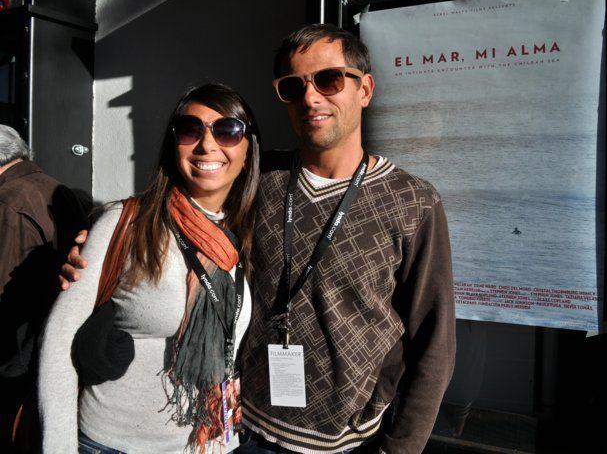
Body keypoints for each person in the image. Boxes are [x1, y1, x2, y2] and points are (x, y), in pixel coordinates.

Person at [62, 24, 457, 454]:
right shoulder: (258, 181)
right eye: (293, 86)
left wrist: (402, 449)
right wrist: (103, 239)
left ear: (365, 90)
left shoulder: (412, 201)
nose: (311, 97)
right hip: (242, 430)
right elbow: (178, 211)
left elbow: (435, 344)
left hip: (350, 443)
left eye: (329, 79)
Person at [40, 83, 260, 453]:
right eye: (191, 130)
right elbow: (59, 341)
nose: (207, 145)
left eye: (227, 130)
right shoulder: (125, 223)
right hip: (114, 444)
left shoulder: (240, 235)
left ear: (247, 150)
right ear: (173, 145)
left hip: (208, 444)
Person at [0, 125, 88, 452]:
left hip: (16, 353)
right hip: (52, 342)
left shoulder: (8, 200)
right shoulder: (53, 186)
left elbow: (3, 293)